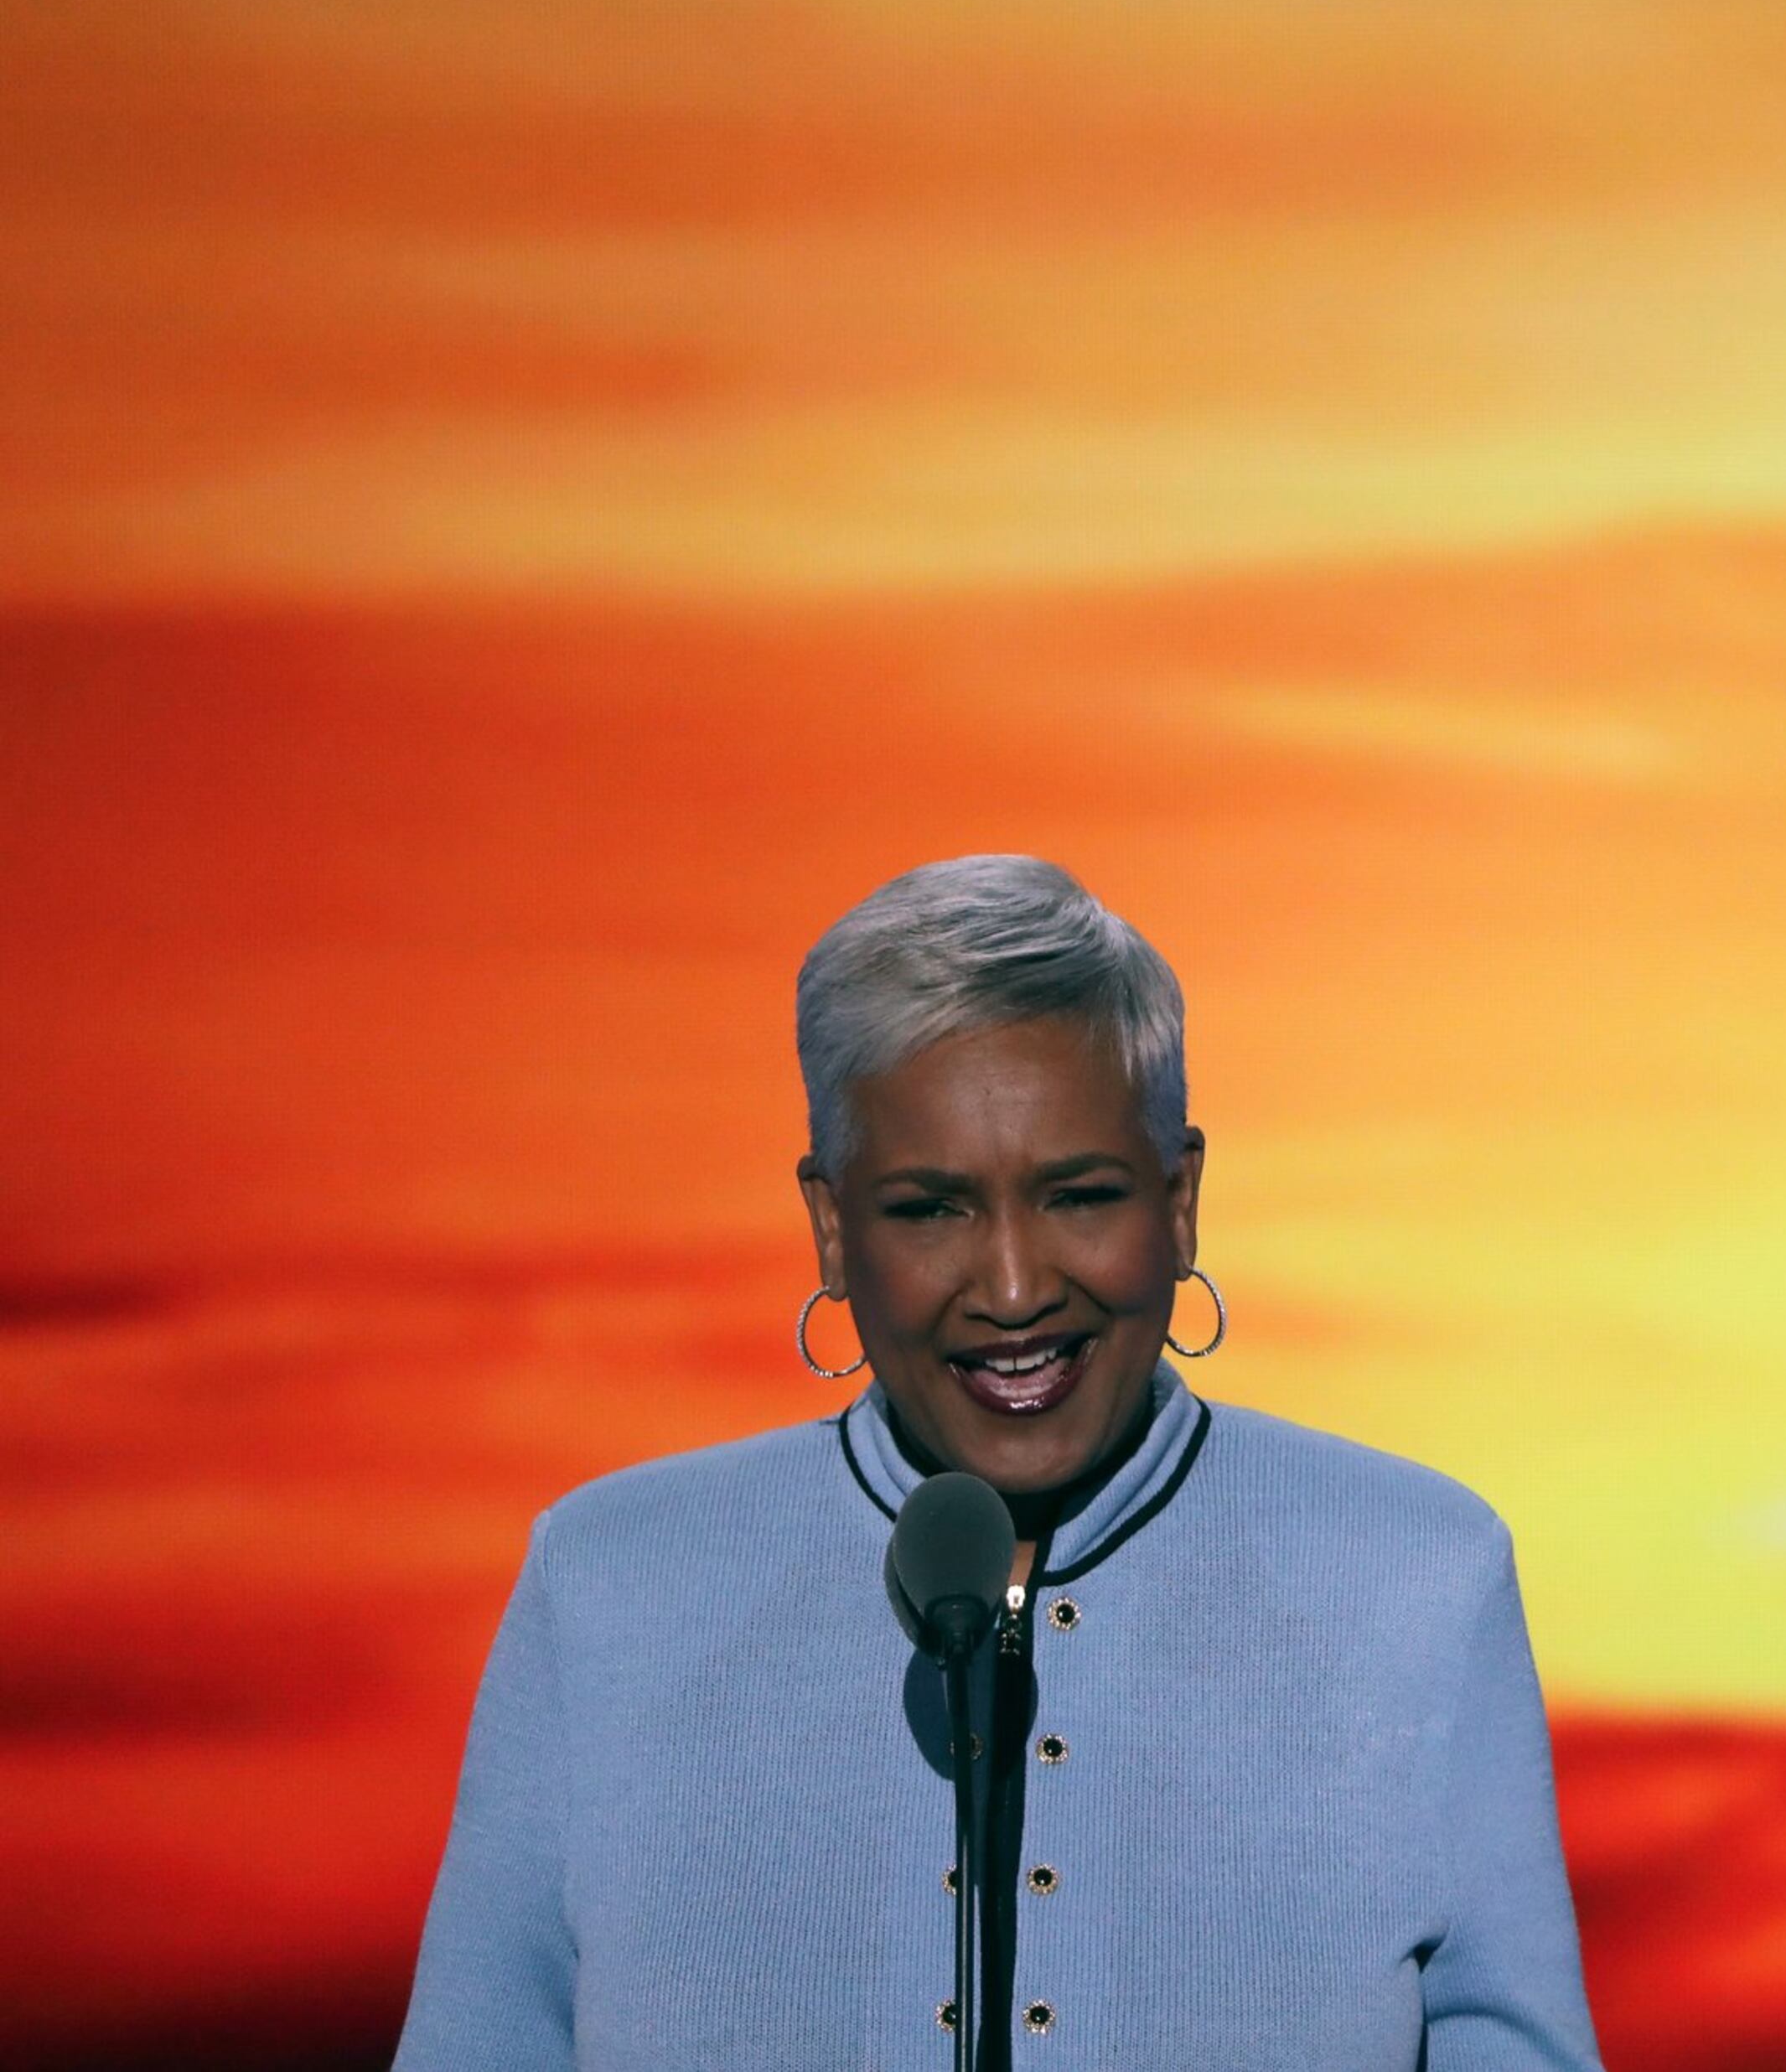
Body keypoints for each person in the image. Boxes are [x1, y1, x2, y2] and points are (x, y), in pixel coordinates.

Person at [396, 854, 1604, 2071]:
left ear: (1180, 1200)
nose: (1017, 1289)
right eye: (932, 1209)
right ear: (830, 1225)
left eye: (1080, 1195)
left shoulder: (1416, 1578)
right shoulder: (610, 1583)